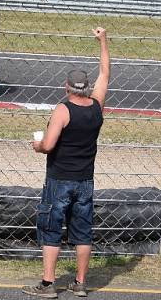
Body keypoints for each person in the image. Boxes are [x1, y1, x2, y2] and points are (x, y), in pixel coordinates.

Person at [23, 28, 110, 299]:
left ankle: (48, 284)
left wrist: (38, 146)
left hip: (60, 178)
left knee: (51, 227)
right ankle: (80, 283)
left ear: (66, 87)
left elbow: (48, 145)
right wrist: (103, 41)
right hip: (85, 179)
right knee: (83, 231)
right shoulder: (96, 106)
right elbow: (105, 73)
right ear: (87, 87)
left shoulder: (63, 109)